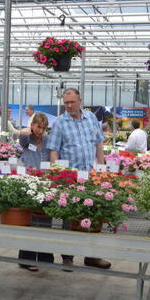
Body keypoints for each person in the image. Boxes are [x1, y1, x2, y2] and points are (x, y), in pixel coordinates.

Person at [47, 88, 110, 270]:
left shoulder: (91, 118)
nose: (69, 105)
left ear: (80, 101)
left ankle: (92, 256)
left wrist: (101, 170)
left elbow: (98, 144)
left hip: (90, 175)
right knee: (69, 217)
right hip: (70, 178)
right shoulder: (60, 122)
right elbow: (54, 150)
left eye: (72, 102)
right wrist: (58, 175)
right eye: (66, 103)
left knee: (93, 214)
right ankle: (68, 257)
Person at [17, 113, 54, 272]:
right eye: (38, 127)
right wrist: (26, 131)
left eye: (43, 128)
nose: (40, 131)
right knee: (30, 221)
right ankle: (27, 259)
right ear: (32, 125)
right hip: (29, 181)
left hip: (45, 181)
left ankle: (46, 258)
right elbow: (22, 139)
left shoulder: (47, 140)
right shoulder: (27, 139)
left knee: (45, 219)